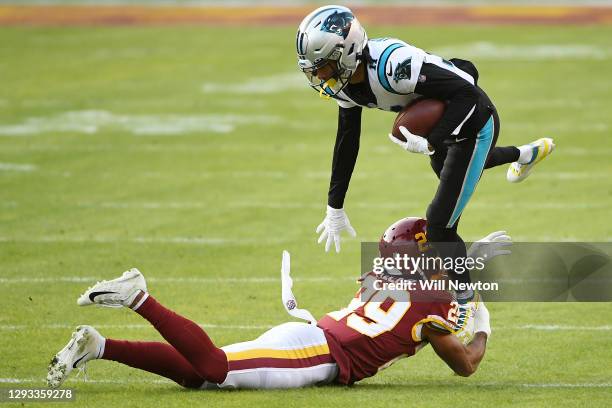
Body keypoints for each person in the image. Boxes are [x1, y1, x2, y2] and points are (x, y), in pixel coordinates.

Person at [47, 218, 509, 390]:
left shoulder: (382, 274)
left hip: (312, 340)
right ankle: (138, 296)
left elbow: (424, 279)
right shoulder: (430, 309)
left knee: (198, 376)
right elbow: (466, 365)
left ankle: (98, 346)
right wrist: (482, 318)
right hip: (316, 355)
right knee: (215, 368)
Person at [296, 5, 554, 300]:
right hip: (443, 127)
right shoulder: (343, 85)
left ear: (348, 51)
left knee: (439, 226)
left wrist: (432, 141)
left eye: (323, 65)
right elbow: (347, 139)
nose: (318, 74)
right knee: (459, 175)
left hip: (474, 120)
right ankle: (524, 154)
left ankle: (466, 303)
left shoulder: (392, 65)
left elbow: (468, 90)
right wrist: (335, 208)